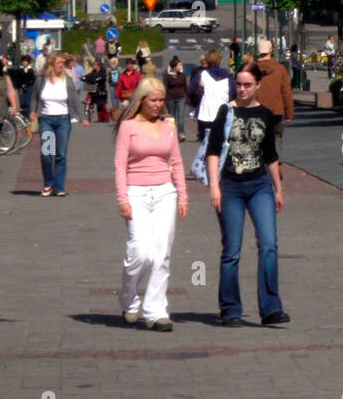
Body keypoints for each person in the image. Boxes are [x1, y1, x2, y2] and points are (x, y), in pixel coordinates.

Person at [206, 64, 288, 327]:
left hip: (259, 185)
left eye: (247, 85)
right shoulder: (226, 111)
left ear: (257, 85)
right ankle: (230, 310)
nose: (242, 89)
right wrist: (214, 187)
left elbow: (271, 155)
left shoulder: (264, 114)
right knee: (231, 251)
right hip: (230, 187)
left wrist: (278, 188)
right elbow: (213, 150)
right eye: (238, 84)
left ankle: (271, 308)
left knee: (268, 245)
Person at [114, 78, 188, 331]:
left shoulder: (169, 125)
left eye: (161, 100)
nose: (158, 105)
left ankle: (156, 311)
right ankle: (129, 299)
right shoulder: (128, 126)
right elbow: (120, 165)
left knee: (162, 253)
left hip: (165, 193)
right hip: (136, 193)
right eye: (153, 100)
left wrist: (183, 196)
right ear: (142, 100)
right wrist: (122, 198)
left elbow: (176, 162)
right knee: (141, 251)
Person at [30, 52, 82, 197]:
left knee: (60, 155)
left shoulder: (67, 79)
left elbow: (75, 99)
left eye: (62, 63)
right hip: (46, 120)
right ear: (51, 64)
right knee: (47, 153)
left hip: (63, 120)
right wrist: (33, 111)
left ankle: (59, 187)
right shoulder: (41, 80)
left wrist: (82, 116)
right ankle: (48, 183)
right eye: (59, 63)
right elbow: (34, 97)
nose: (61, 65)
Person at [189, 50, 237, 176]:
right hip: (222, 114)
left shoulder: (202, 74)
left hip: (205, 113)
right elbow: (233, 94)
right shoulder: (227, 77)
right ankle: (220, 167)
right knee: (221, 141)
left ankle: (206, 168)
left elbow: (191, 89)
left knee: (206, 143)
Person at [255, 39, 294, 159]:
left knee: (257, 137)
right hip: (276, 109)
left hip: (257, 109)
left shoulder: (252, 69)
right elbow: (286, 92)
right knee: (276, 136)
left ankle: (260, 162)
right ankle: (276, 162)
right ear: (271, 50)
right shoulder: (280, 69)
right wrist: (289, 113)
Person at [164, 56, 189, 140]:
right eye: (179, 66)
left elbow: (185, 86)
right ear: (174, 67)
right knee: (172, 117)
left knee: (181, 116)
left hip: (181, 97)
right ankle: (171, 133)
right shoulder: (167, 76)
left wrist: (187, 97)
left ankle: (181, 133)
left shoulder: (182, 75)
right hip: (170, 98)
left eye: (181, 66)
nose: (180, 67)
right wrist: (165, 99)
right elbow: (165, 88)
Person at [84, 58, 109, 123]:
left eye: (95, 65)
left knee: (102, 105)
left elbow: (102, 78)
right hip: (95, 90)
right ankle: (100, 118)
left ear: (98, 66)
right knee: (98, 105)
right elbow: (89, 76)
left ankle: (106, 118)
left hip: (101, 90)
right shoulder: (94, 71)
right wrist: (84, 78)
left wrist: (96, 80)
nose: (93, 66)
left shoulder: (102, 72)